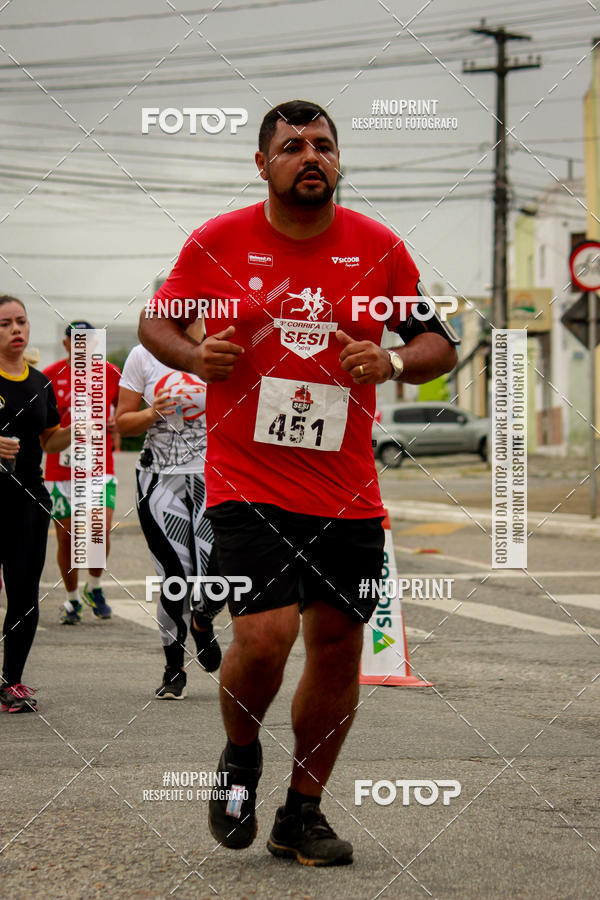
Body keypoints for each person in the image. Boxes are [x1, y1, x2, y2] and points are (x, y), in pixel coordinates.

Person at [138, 100, 458, 866]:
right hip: (247, 479)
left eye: (323, 145)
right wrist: (191, 355)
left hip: (346, 489)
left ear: (338, 161)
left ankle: (302, 813)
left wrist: (394, 362)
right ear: (263, 164)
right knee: (265, 636)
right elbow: (158, 322)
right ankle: (241, 755)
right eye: (291, 146)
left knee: (341, 646)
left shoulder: (381, 251)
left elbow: (437, 342)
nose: (309, 156)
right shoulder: (217, 243)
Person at [115, 319, 225, 700]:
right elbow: (122, 423)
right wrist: (150, 413)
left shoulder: (223, 347)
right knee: (176, 578)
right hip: (160, 480)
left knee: (217, 578)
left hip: (214, 478)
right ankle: (173, 668)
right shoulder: (143, 356)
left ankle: (203, 620)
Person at [0, 296, 71, 713]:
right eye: (6, 323)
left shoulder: (39, 383)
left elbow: (49, 438)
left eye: (21, 322)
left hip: (28, 499)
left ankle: (13, 683)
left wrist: (78, 429)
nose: (15, 330)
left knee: (24, 593)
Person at [43, 321, 121, 624]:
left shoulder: (111, 373)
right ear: (66, 344)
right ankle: (72, 599)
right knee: (67, 539)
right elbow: (44, 428)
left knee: (99, 528)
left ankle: (95, 587)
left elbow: (124, 408)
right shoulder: (49, 376)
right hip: (61, 470)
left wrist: (118, 424)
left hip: (100, 466)